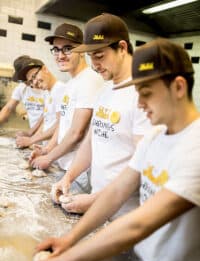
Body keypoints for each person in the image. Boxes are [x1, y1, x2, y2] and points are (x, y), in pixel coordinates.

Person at [35, 38, 200, 261]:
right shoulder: (155, 136)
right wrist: (70, 239)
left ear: (178, 87)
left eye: (146, 93)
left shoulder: (195, 147)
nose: (140, 103)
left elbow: (139, 223)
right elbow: (116, 192)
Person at [52, 13, 151, 217]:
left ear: (122, 48)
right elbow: (90, 142)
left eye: (99, 55)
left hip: (127, 215)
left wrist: (94, 200)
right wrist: (68, 178)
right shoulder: (106, 90)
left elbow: (144, 165)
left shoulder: (144, 93)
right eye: (90, 57)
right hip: (99, 206)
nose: (94, 64)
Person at [30, 23, 104, 193]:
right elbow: (64, 125)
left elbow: (76, 133)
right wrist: (47, 149)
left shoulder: (89, 81)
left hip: (79, 171)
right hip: (64, 163)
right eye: (56, 49)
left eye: (67, 49)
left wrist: (48, 158)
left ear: (83, 50)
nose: (60, 55)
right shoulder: (72, 83)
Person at [15, 57, 66, 148]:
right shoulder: (48, 92)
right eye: (31, 81)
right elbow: (46, 122)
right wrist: (33, 141)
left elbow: (61, 125)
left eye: (34, 76)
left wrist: (31, 140)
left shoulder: (60, 90)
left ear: (45, 69)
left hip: (59, 154)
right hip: (49, 149)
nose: (34, 83)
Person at [0, 56, 45, 136]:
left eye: (24, 77)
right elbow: (8, 108)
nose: (23, 81)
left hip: (46, 134)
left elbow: (48, 118)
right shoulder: (22, 88)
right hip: (35, 133)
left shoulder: (47, 89)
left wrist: (33, 138)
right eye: (21, 79)